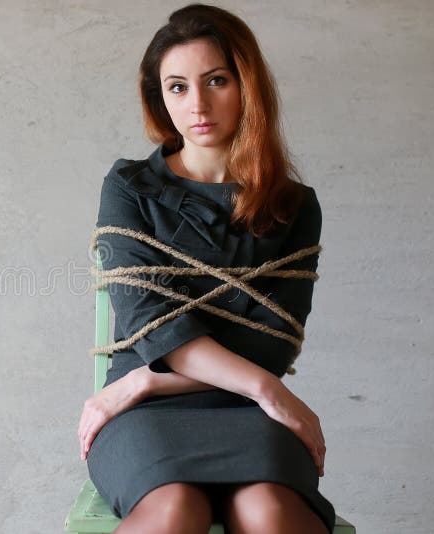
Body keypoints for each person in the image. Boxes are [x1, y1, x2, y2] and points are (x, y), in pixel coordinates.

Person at [77, 4, 336, 534]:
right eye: (176, 86)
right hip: (152, 424)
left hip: (241, 410)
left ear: (247, 85)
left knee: (268, 514)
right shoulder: (130, 189)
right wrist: (270, 389)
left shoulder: (293, 205)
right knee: (174, 510)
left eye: (216, 80)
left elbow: (271, 344)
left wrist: (142, 382)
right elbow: (154, 328)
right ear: (159, 97)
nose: (197, 104)